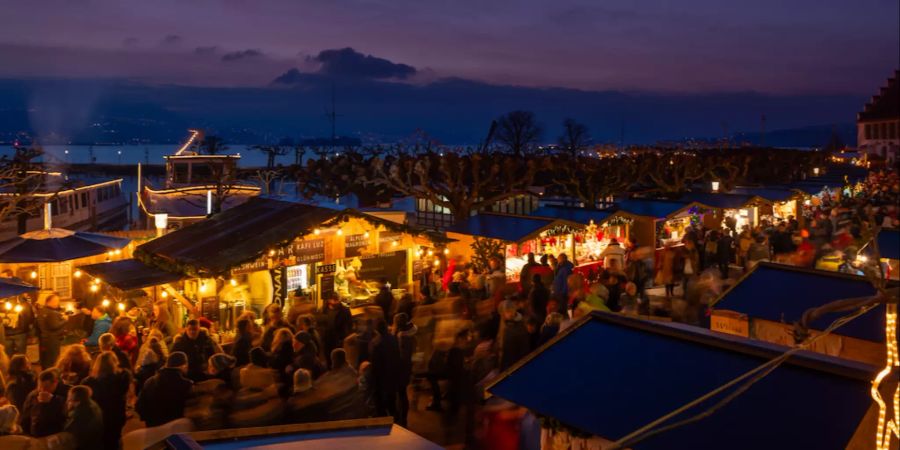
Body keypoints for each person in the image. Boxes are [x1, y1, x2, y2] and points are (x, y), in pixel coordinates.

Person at [83, 351, 131, 450]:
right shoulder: (122, 379)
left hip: (99, 417)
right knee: (114, 440)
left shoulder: (90, 382)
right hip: (117, 415)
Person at [136, 351, 193, 427]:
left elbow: (140, 406)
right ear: (184, 365)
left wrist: (149, 419)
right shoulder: (187, 385)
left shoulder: (150, 382)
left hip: (154, 427)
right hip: (176, 430)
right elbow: (191, 411)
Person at [368, 318, 402, 422]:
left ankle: (383, 423)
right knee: (392, 400)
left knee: (380, 402)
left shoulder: (376, 342)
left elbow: (375, 362)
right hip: (392, 373)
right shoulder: (394, 339)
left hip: (381, 376)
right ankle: (397, 421)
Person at [20, 368, 70, 437]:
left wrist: (53, 401)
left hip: (55, 436)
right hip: (35, 436)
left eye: (46, 387)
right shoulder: (33, 395)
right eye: (40, 387)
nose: (42, 390)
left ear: (55, 383)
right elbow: (26, 416)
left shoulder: (65, 393)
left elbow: (65, 416)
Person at [393, 313, 417, 427]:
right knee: (402, 393)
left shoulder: (402, 336)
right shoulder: (413, 330)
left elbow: (402, 355)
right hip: (409, 367)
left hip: (402, 368)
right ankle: (403, 419)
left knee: (401, 394)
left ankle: (402, 420)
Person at [63, 385, 103, 450]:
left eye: (69, 398)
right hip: (95, 443)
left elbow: (68, 430)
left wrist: (69, 410)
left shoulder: (79, 414)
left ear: (76, 401)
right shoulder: (93, 404)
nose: (67, 400)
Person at [36, 293, 67, 370]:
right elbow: (54, 326)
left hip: (44, 339)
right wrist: (65, 320)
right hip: (52, 339)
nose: (58, 303)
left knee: (45, 359)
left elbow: (37, 325)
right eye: (56, 301)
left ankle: (44, 374)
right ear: (49, 302)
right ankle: (52, 376)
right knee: (53, 360)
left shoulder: (41, 311)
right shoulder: (52, 313)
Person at [498, 300, 530, 371]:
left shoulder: (518, 326)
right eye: (507, 311)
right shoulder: (507, 324)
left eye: (510, 310)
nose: (509, 313)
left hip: (515, 363)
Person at [320, 293, 352, 363]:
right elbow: (320, 324)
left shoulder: (345, 311)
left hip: (338, 339)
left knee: (338, 358)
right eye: (333, 300)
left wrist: (345, 337)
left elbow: (349, 325)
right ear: (329, 300)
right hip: (327, 339)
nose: (334, 302)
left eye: (336, 300)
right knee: (328, 357)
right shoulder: (323, 310)